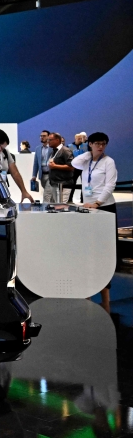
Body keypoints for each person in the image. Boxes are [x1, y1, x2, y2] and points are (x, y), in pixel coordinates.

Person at [71, 132, 118, 312]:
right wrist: (89, 153)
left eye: (103, 144)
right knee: (88, 250)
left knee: (104, 251)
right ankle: (88, 290)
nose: (101, 146)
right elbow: (74, 163)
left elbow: (110, 185)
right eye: (97, 143)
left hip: (104, 208)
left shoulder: (109, 162)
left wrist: (98, 203)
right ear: (90, 144)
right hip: (89, 207)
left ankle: (106, 300)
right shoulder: (86, 161)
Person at [0, 129, 34, 203]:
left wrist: (24, 191)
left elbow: (15, 172)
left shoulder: (5, 152)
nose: (1, 151)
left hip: (1, 192)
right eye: (1, 148)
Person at [45, 132, 74, 204]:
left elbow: (71, 166)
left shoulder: (65, 151)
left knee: (61, 206)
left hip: (63, 184)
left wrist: (55, 166)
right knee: (56, 205)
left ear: (57, 140)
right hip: (55, 183)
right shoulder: (54, 151)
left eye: (50, 140)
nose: (48, 142)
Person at [31, 130, 53, 195]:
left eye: (44, 136)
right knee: (49, 193)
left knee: (47, 194)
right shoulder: (38, 148)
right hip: (42, 175)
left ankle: (46, 202)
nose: (42, 137)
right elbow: (36, 163)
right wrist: (34, 175)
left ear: (48, 137)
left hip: (51, 174)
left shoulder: (52, 148)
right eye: (41, 136)